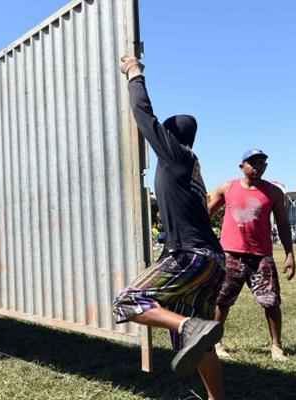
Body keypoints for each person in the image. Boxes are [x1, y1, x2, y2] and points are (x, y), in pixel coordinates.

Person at [113, 56, 226, 400]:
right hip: (213, 262)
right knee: (199, 340)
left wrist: (134, 72)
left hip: (189, 257)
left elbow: (142, 113)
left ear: (172, 135)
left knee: (127, 302)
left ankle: (187, 326)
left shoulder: (174, 154)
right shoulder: (191, 166)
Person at [208, 149, 296, 362]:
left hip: (261, 256)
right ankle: (216, 343)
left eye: (262, 163)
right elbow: (206, 214)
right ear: (242, 166)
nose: (258, 167)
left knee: (271, 301)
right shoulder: (227, 188)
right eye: (253, 163)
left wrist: (289, 254)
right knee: (222, 301)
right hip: (230, 255)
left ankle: (276, 346)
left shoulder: (274, 192)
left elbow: (283, 224)